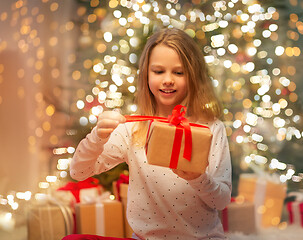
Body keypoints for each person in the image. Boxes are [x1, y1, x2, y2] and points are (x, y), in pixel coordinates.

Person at [67, 28, 232, 240]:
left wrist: (198, 178)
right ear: (146, 74)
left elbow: (222, 201)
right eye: (158, 71)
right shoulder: (133, 128)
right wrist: (97, 137)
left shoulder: (211, 129)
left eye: (179, 72)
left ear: (193, 75)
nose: (168, 80)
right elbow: (78, 172)